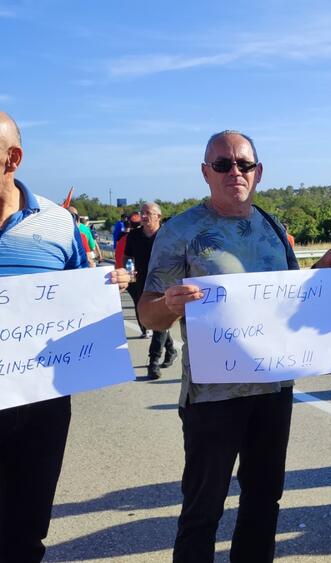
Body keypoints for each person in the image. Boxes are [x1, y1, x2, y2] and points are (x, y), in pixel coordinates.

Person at [138, 130, 331, 562]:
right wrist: (169, 304)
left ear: (258, 171)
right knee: (202, 512)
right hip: (212, 397)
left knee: (263, 503)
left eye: (244, 164)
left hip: (273, 393)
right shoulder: (180, 231)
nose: (234, 172)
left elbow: (290, 294)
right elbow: (148, 313)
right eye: (222, 164)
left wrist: (323, 270)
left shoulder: (273, 227)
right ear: (205, 172)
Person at [0, 111, 130, 562]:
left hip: (38, 405)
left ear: (11, 158)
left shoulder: (57, 223)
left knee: (25, 528)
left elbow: (80, 291)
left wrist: (106, 287)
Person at [124, 202, 176, 378]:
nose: (144, 216)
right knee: (147, 321)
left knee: (159, 318)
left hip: (163, 282)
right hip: (139, 282)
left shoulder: (167, 235)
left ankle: (153, 361)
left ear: (158, 217)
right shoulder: (134, 236)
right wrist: (128, 274)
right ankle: (171, 349)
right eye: (142, 213)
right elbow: (127, 257)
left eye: (148, 213)